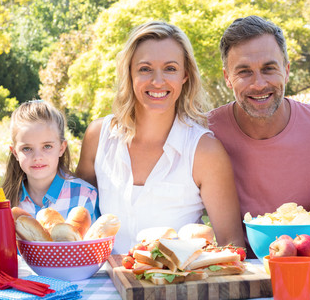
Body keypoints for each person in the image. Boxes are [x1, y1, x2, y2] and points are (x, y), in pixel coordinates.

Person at [76, 21, 244, 254]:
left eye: (170, 69)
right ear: (130, 73)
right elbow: (76, 217)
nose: (157, 81)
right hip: (104, 285)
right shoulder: (98, 137)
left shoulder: (205, 151)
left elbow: (232, 243)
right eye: (145, 69)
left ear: (185, 75)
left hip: (178, 288)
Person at [209, 15, 310, 229]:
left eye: (269, 69)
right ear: (227, 77)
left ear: (286, 71)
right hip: (240, 260)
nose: (259, 84)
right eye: (244, 72)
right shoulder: (204, 134)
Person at [2, 100, 98, 223]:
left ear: (61, 148)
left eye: (47, 146)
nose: (37, 157)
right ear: (15, 152)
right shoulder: (7, 202)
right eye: (27, 148)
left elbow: (96, 241)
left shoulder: (84, 196)